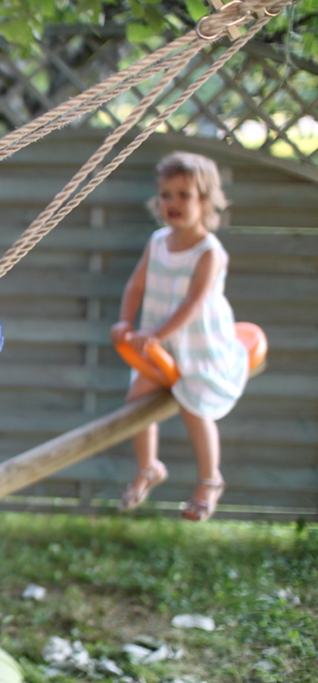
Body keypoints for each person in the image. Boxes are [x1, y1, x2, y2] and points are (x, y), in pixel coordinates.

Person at [110, 152, 248, 522]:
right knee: (136, 402)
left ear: (206, 200)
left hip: (198, 345)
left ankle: (209, 480)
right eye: (165, 195)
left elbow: (193, 303)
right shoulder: (157, 242)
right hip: (159, 346)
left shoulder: (208, 252)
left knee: (194, 407)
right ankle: (148, 467)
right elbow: (135, 285)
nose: (172, 203)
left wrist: (155, 334)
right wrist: (125, 322)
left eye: (184, 195)